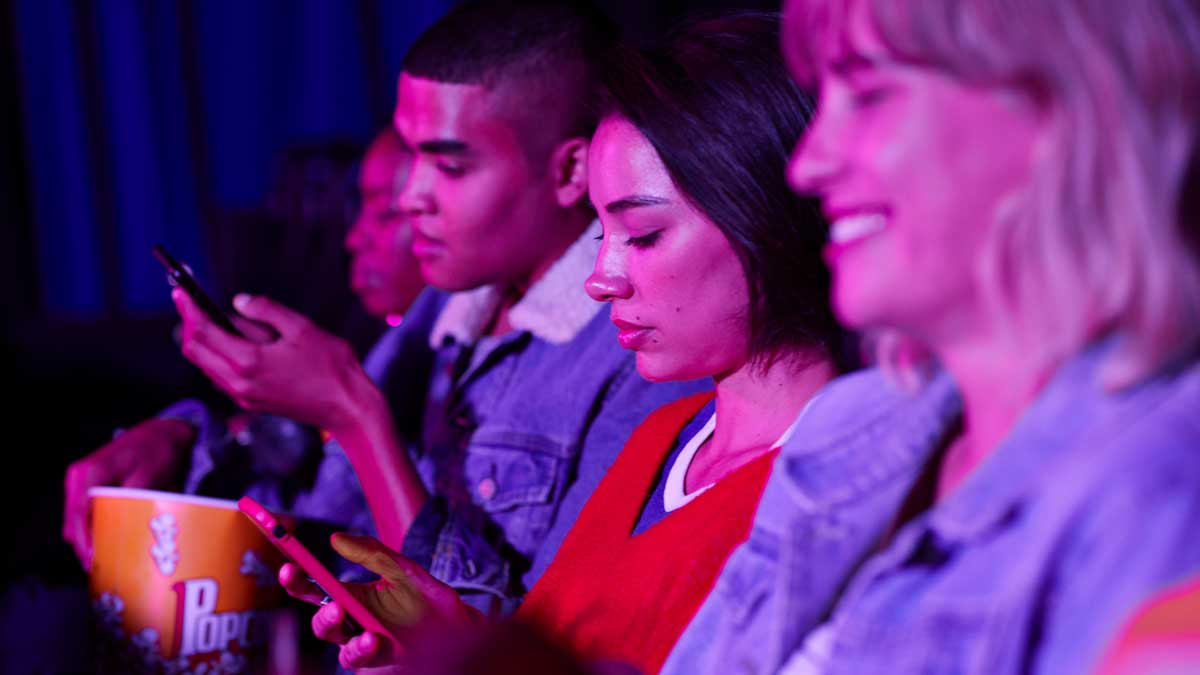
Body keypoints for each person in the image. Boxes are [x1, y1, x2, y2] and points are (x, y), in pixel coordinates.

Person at [278, 14, 873, 674]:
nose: (599, 279)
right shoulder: (663, 437)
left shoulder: (836, 487)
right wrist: (453, 634)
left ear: (769, 218)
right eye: (602, 235)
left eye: (642, 235)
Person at [674, 1, 1200, 673]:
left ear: (1065, 109)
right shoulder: (847, 427)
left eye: (867, 96)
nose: (808, 165)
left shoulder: (1157, 488)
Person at [172, 0, 705, 613]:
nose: (412, 197)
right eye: (412, 156)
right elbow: (324, 527)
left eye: (450, 165)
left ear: (570, 171)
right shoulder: (446, 310)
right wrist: (189, 431)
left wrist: (354, 413)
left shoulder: (638, 352)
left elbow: (513, 645)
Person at [61, 126, 425, 566]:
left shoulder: (455, 373)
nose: (353, 238)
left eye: (385, 212)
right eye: (356, 209)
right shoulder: (374, 336)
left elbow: (439, 597)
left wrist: (349, 405)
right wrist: (183, 433)